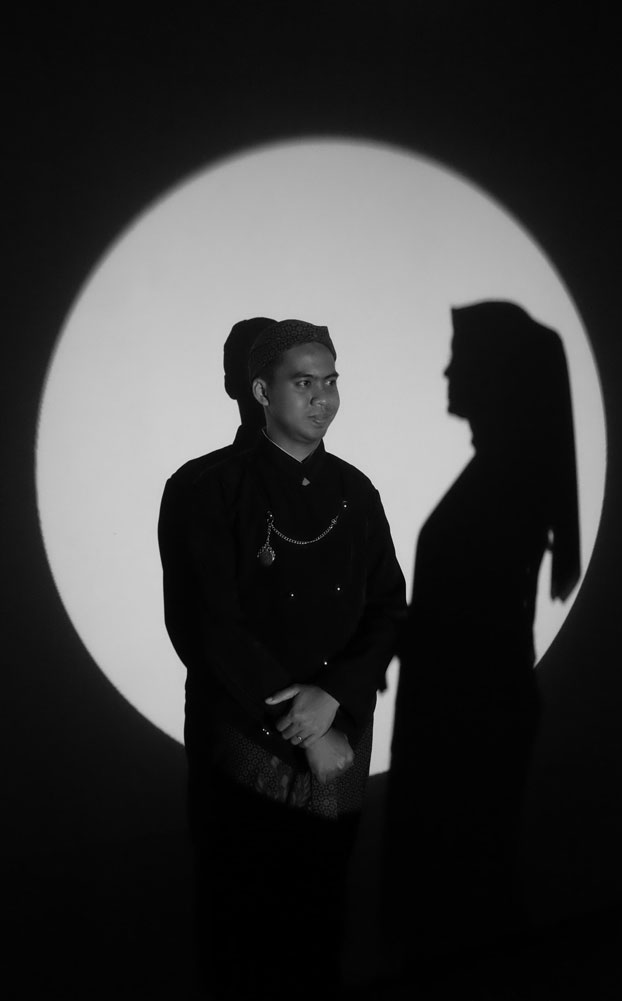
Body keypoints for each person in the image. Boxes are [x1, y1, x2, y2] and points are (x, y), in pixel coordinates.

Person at [158, 318, 406, 999]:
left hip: (341, 735)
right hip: (247, 738)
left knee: (323, 910)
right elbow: (207, 626)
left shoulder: (356, 490)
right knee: (242, 915)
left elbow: (388, 607)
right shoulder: (206, 486)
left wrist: (336, 700)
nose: (322, 398)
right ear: (261, 390)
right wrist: (303, 726)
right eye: (303, 382)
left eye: (330, 381)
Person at [382, 301, 580, 993]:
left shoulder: (502, 482)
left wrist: (382, 628)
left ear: (494, 373)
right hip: (477, 717)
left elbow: (464, 624)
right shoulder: (506, 476)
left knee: (463, 917)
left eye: (459, 356)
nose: (446, 370)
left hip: (468, 724)